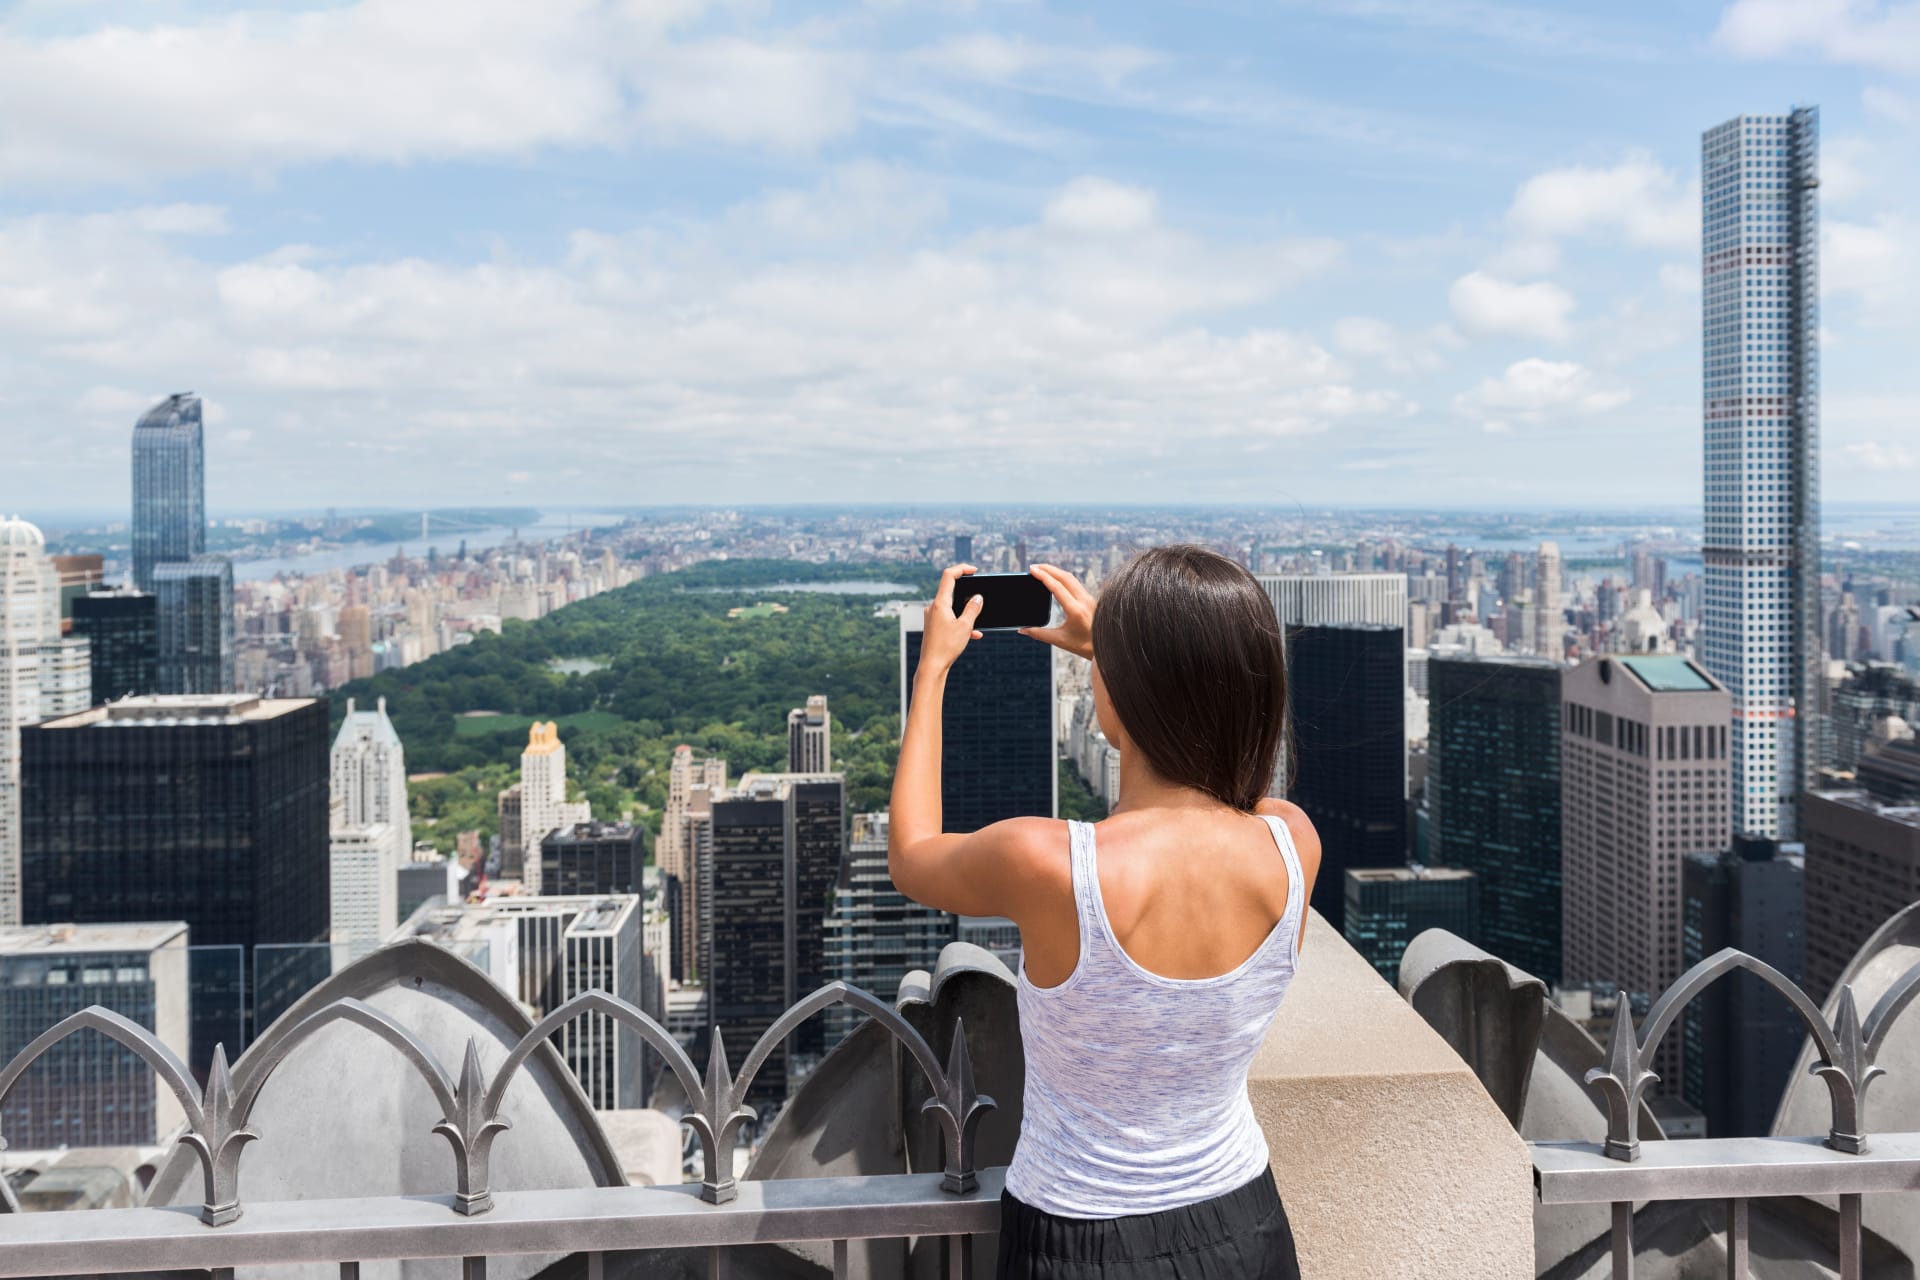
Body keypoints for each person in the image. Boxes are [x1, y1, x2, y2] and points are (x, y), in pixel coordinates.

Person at [890, 545, 1320, 1280]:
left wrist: (931, 670)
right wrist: (1123, 659)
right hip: (1247, 1221)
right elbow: (1216, 802)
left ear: (1117, 694)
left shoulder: (1053, 865)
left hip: (1082, 1238)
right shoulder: (1291, 841)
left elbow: (913, 853)